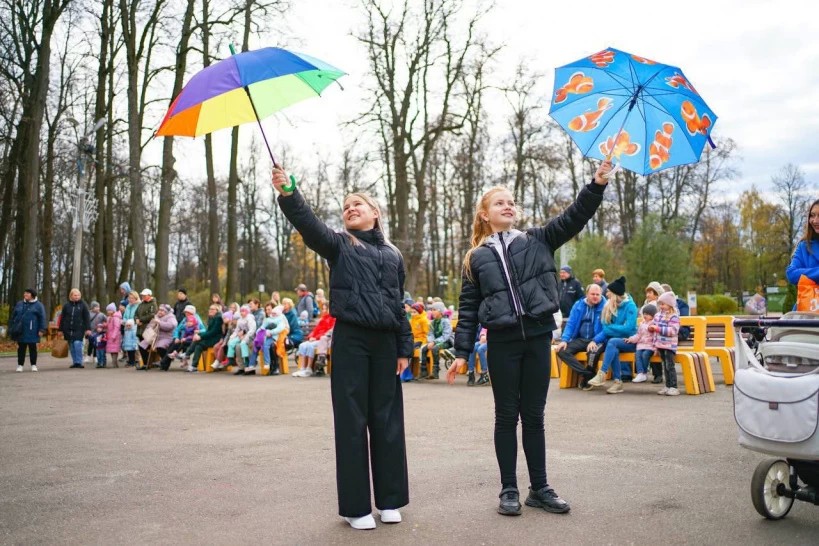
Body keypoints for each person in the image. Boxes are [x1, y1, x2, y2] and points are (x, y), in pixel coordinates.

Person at [448, 159, 611, 517]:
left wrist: (596, 184)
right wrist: (462, 352)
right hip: (503, 343)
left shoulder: (538, 239)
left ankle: (540, 488)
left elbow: (574, 216)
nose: (508, 206)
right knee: (506, 416)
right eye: (499, 203)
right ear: (485, 215)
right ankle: (509, 489)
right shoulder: (475, 258)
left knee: (534, 416)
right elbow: (469, 308)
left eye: (511, 202)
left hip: (537, 338)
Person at [273, 166, 412, 530]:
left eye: (358, 204)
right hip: (351, 339)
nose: (350, 208)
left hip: (385, 343)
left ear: (375, 212)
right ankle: (356, 507)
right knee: (352, 422)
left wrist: (403, 347)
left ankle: (390, 500)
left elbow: (398, 304)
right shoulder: (339, 244)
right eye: (346, 206)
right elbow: (309, 225)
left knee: (388, 420)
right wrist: (290, 194)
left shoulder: (394, 255)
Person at [586, 276, 638, 393]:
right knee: (612, 344)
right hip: (615, 342)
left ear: (615, 294)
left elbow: (629, 329)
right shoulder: (609, 306)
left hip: (631, 341)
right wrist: (597, 338)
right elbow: (605, 329)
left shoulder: (630, 306)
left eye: (609, 292)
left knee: (612, 342)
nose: (607, 294)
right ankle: (617, 382)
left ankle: (603, 374)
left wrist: (611, 328)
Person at [554, 284, 605, 389]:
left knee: (593, 353)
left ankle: (587, 379)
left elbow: (607, 329)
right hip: (581, 339)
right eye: (592, 294)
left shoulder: (606, 306)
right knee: (561, 350)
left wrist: (595, 340)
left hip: (599, 339)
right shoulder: (578, 305)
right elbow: (571, 324)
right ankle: (587, 374)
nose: (595, 296)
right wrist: (564, 340)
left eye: (597, 294)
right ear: (587, 294)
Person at [651, 291, 681, 396]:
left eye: (663, 304)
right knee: (665, 365)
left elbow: (673, 331)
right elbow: (655, 331)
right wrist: (655, 344)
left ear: (670, 304)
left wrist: (658, 329)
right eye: (660, 304)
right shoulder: (658, 315)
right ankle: (668, 386)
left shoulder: (674, 316)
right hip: (661, 346)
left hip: (669, 346)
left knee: (670, 366)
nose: (661, 306)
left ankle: (674, 386)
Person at [10, 288, 47, 372]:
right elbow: (13, 316)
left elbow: (42, 318)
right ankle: (20, 365)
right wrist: (12, 327)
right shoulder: (19, 304)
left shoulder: (39, 305)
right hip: (20, 330)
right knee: (21, 348)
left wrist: (42, 329)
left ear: (33, 295)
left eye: (28, 293)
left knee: (32, 348)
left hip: (33, 330)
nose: (25, 295)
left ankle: (33, 365)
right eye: (25, 293)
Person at [293, 306, 336, 377]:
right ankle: (302, 368)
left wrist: (315, 338)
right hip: (316, 339)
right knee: (302, 345)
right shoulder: (323, 318)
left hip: (322, 340)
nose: (324, 310)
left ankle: (309, 368)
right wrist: (311, 337)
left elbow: (327, 333)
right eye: (323, 309)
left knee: (310, 346)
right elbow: (315, 330)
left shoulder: (333, 319)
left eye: (325, 309)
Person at [786, 198, 819, 290]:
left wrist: (808, 275)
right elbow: (791, 273)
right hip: (809, 303)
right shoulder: (803, 246)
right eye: (812, 215)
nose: (815, 221)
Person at [137, 304, 177, 371]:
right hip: (154, 337)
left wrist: (160, 323)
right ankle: (146, 364)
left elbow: (171, 326)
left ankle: (165, 363)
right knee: (142, 345)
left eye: (162, 310)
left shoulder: (171, 317)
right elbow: (148, 326)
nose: (160, 312)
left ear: (166, 311)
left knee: (160, 347)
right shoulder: (156, 317)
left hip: (166, 337)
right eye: (159, 310)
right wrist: (152, 326)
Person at [185, 304, 224, 372]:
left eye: (212, 309)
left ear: (217, 311)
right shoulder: (212, 317)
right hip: (211, 338)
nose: (210, 310)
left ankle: (187, 354)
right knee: (198, 346)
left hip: (217, 340)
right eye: (210, 309)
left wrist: (200, 336)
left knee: (198, 342)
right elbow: (208, 331)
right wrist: (199, 334)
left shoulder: (218, 318)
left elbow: (213, 332)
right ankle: (194, 366)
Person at [419, 302, 453, 380]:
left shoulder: (446, 321)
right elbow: (430, 334)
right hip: (435, 342)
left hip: (446, 342)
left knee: (435, 348)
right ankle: (423, 371)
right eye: (431, 310)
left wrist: (434, 342)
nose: (432, 311)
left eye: (434, 310)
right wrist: (431, 341)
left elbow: (446, 336)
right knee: (424, 349)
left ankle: (435, 371)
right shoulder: (433, 322)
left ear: (440, 311)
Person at [625, 303, 657, 383]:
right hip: (641, 345)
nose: (645, 316)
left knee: (645, 355)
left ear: (653, 316)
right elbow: (638, 335)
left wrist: (657, 347)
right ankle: (640, 373)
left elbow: (656, 336)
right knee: (638, 355)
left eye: (648, 314)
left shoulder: (655, 324)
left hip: (650, 346)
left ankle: (644, 372)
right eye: (644, 314)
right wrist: (631, 339)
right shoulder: (642, 324)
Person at [59, 289, 91, 369]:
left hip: (79, 328)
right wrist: (60, 329)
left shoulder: (83, 305)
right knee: (72, 346)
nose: (77, 297)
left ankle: (79, 362)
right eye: (75, 295)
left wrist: (88, 329)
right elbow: (62, 318)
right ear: (71, 296)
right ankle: (75, 362)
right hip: (68, 329)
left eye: (78, 295)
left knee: (77, 344)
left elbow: (87, 317)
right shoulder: (66, 306)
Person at [642, 282, 665, 382]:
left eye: (650, 292)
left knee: (653, 350)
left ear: (656, 293)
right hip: (646, 333)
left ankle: (658, 374)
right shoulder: (646, 304)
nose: (648, 295)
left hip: (656, 333)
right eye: (647, 292)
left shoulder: (659, 304)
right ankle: (642, 371)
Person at [228, 304, 257, 375]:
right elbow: (237, 330)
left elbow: (252, 330)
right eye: (241, 311)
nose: (242, 313)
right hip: (241, 338)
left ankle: (250, 366)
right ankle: (241, 367)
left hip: (250, 338)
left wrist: (245, 336)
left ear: (247, 312)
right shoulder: (240, 320)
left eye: (243, 311)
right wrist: (232, 337)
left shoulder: (250, 319)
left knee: (245, 348)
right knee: (237, 347)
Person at [260, 304, 288, 375]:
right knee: (266, 344)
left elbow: (285, 328)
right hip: (269, 336)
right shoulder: (267, 319)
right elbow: (263, 328)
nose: (267, 311)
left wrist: (271, 332)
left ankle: (275, 366)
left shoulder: (281, 317)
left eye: (269, 309)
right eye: (266, 310)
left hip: (281, 336)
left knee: (272, 346)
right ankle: (270, 365)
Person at [408, 303, 429, 380]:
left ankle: (408, 372)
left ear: (419, 312)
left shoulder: (424, 320)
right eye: (411, 312)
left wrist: (424, 344)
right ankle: (405, 371)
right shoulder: (411, 320)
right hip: (413, 339)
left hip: (420, 340)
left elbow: (427, 334)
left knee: (409, 349)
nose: (412, 314)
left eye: (414, 312)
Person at [105, 303, 122, 368]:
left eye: (110, 310)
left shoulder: (116, 318)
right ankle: (114, 362)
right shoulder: (109, 318)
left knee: (115, 350)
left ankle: (114, 362)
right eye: (108, 310)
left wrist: (114, 335)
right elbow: (108, 325)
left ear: (113, 310)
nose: (108, 312)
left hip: (115, 336)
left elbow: (117, 327)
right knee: (111, 350)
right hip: (110, 335)